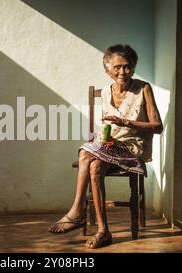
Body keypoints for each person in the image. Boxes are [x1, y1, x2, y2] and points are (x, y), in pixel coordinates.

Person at [48, 44, 163, 249]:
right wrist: (107, 138)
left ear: (133, 68)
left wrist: (128, 123)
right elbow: (109, 128)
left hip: (134, 146)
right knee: (94, 166)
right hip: (111, 145)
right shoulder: (106, 92)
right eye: (117, 67)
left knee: (85, 151)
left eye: (127, 67)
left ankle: (77, 211)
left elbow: (157, 126)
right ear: (107, 70)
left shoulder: (143, 88)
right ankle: (103, 231)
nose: (122, 72)